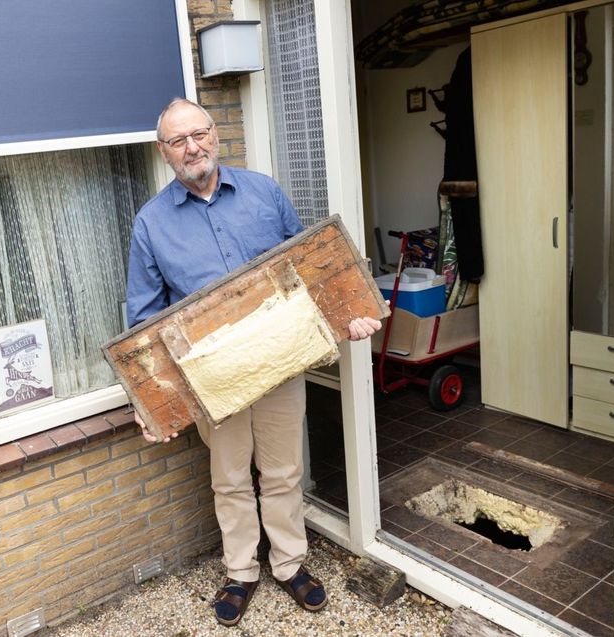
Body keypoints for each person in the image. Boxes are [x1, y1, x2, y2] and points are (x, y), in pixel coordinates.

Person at [125, 98, 381, 627]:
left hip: (281, 364)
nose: (193, 147)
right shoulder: (150, 224)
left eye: (200, 134)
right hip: (213, 381)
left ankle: (289, 564)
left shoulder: (265, 193)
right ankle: (241, 572)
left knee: (285, 471)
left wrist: (349, 316)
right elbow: (144, 319)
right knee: (231, 479)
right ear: (163, 151)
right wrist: (149, 401)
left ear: (215, 134)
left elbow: (312, 271)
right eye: (179, 140)